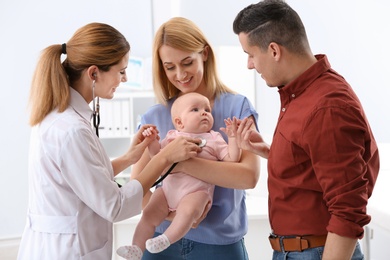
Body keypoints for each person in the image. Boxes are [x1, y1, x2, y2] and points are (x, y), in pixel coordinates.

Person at [17, 22, 202, 260]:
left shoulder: (57, 117)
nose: (124, 79)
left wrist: (129, 158)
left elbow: (82, 179)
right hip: (67, 252)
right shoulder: (71, 130)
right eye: (121, 71)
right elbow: (115, 206)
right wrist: (165, 156)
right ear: (94, 73)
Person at [232, 1, 380, 259]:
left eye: (250, 54)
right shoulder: (301, 93)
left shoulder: (326, 107)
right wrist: (270, 151)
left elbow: (348, 210)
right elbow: (314, 165)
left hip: (316, 252)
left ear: (274, 50)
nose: (250, 65)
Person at [130, 17, 270, 260]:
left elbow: (248, 176)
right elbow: (138, 187)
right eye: (170, 67)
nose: (180, 74)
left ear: (204, 54)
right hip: (160, 245)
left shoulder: (237, 107)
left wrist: (177, 162)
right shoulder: (155, 116)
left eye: (187, 62)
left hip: (220, 246)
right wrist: (176, 217)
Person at [117, 92, 242, 259]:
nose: (204, 112)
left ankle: (166, 239)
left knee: (187, 212)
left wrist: (233, 138)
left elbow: (232, 160)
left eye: (207, 109)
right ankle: (136, 248)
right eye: (195, 110)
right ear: (179, 123)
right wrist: (152, 141)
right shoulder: (172, 136)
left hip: (196, 192)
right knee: (148, 214)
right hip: (167, 191)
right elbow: (157, 156)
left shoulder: (214, 138)